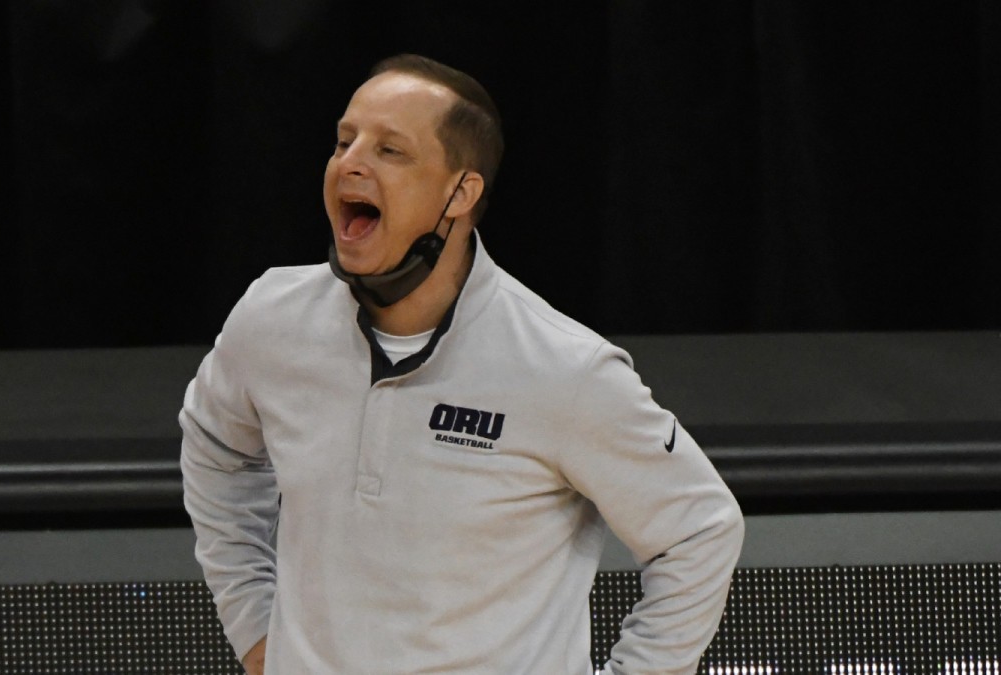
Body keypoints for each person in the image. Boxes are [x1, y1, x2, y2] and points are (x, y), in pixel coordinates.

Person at [180, 53, 744, 674]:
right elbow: (216, 449)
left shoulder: (564, 368)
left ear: (461, 192)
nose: (351, 163)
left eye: (390, 150)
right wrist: (255, 625)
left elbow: (700, 531)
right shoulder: (272, 318)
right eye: (344, 141)